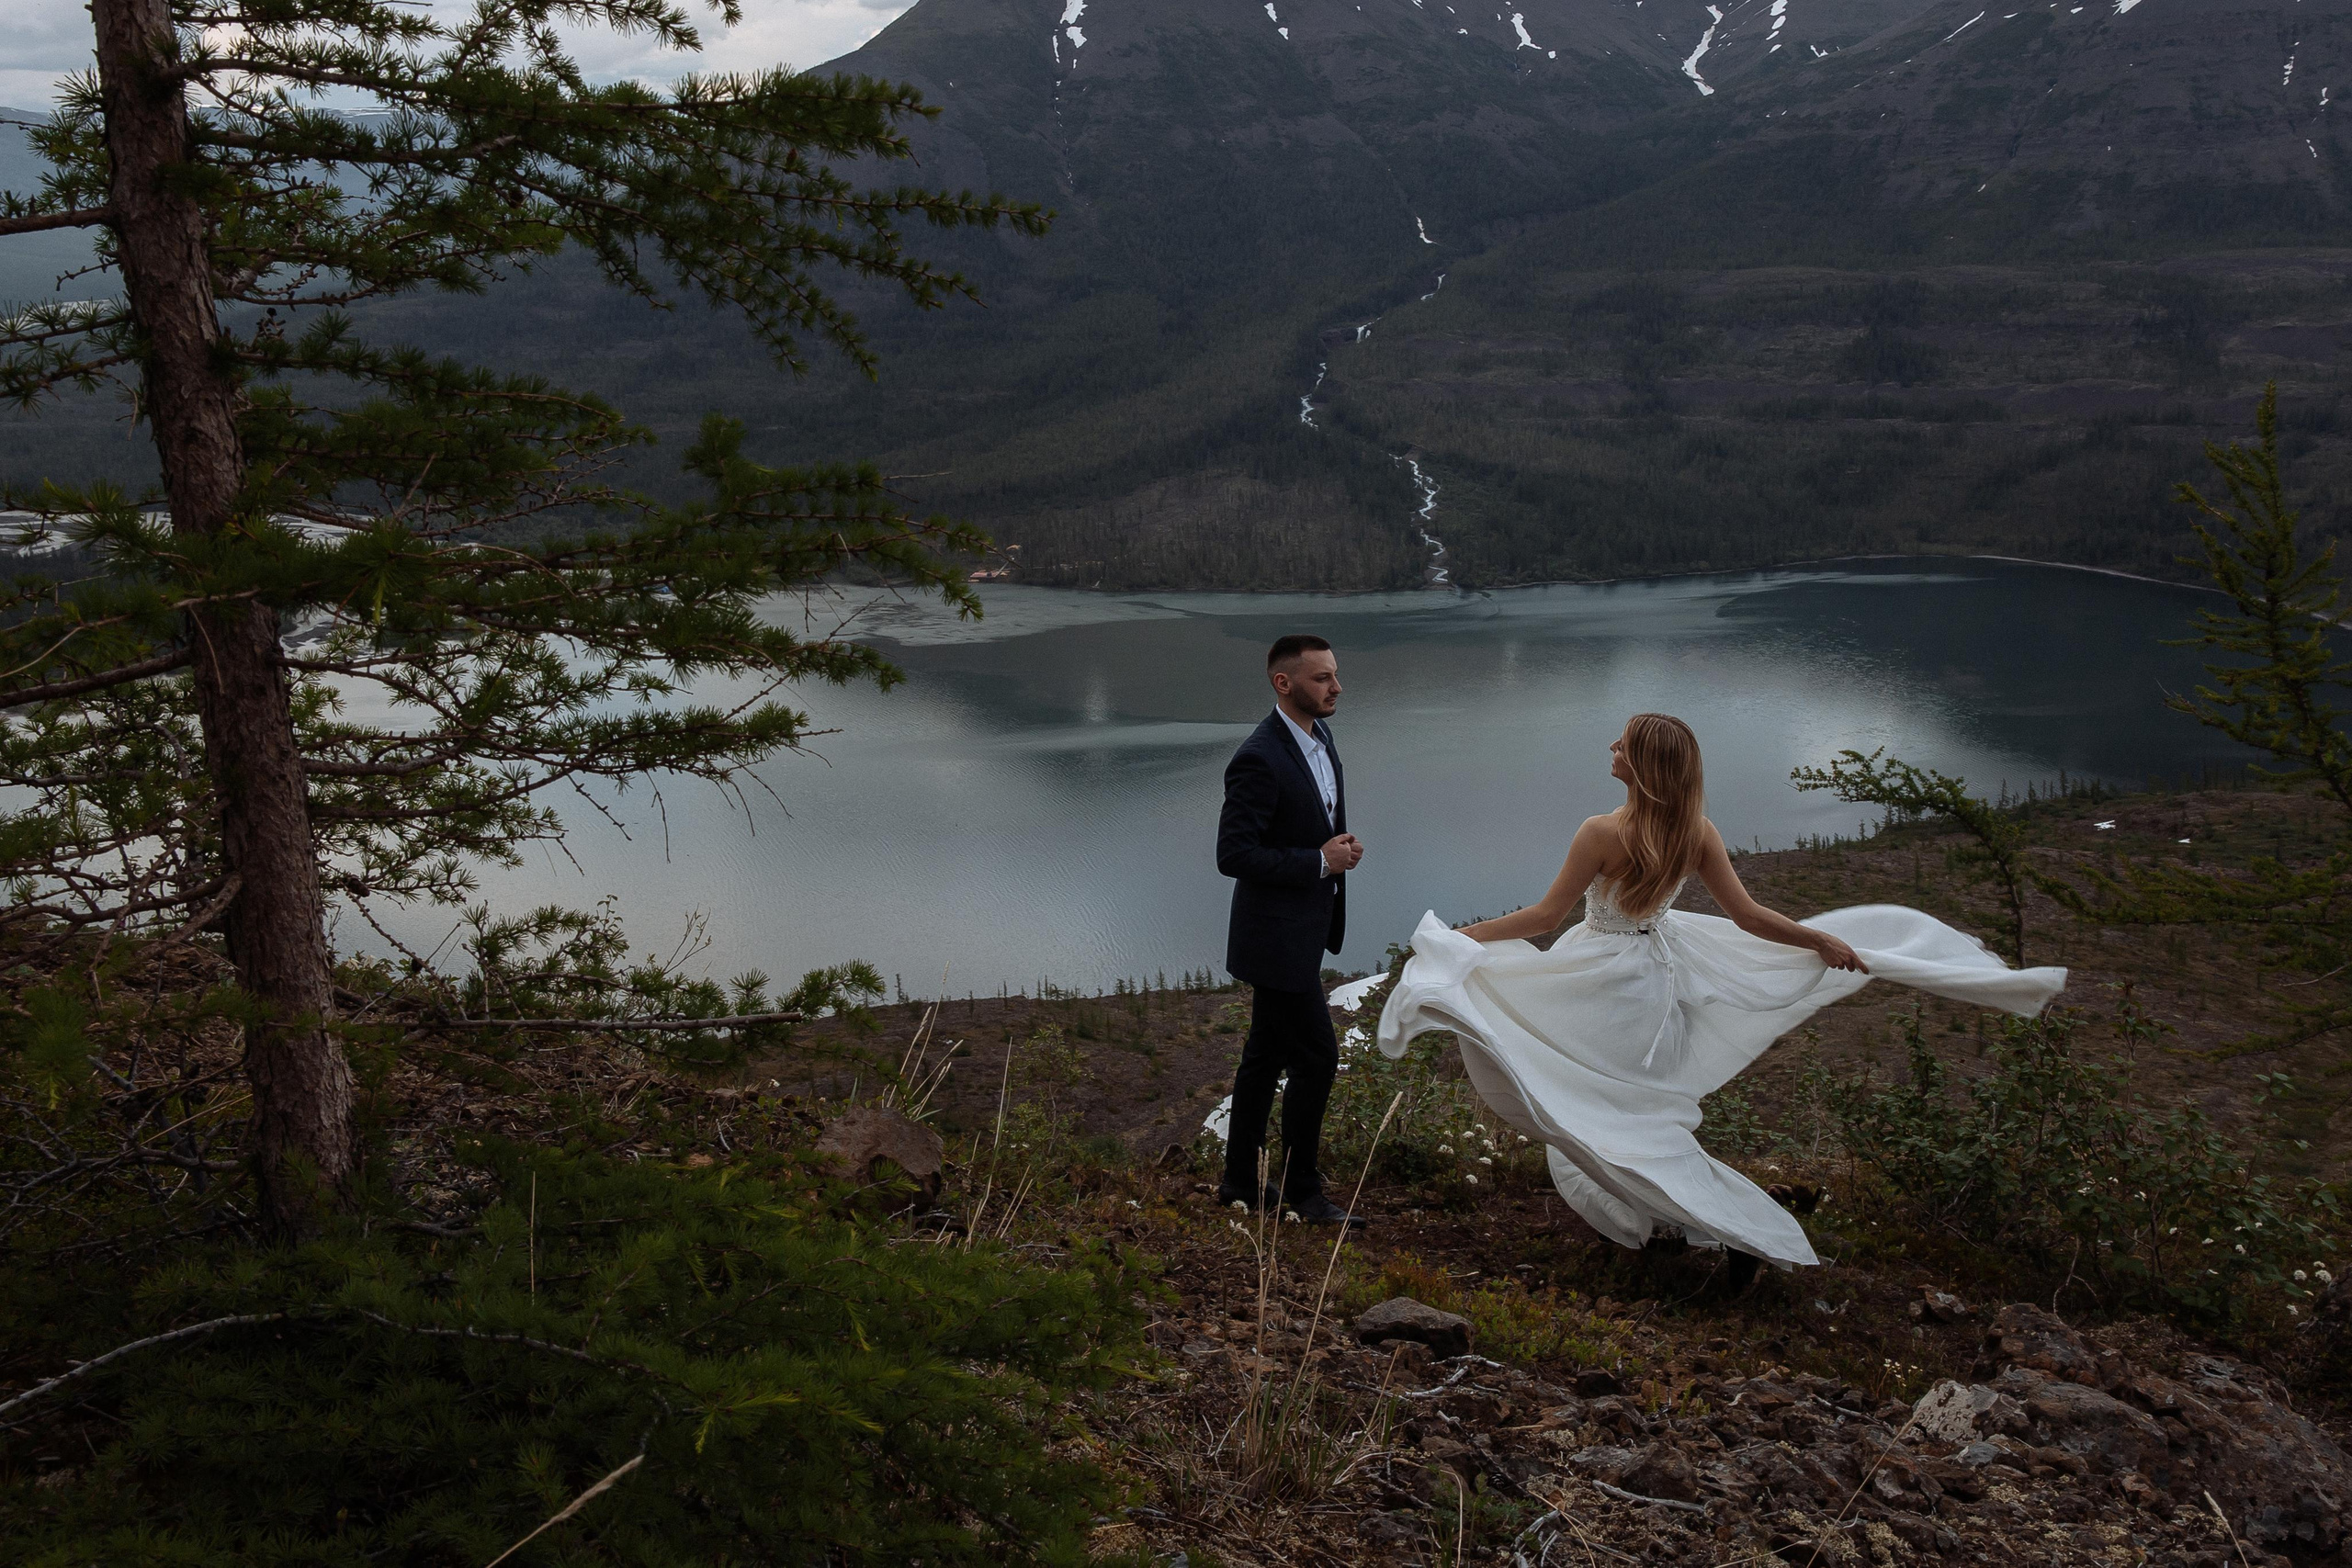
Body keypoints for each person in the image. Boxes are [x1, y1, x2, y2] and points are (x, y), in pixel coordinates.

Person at [1374, 712, 2066, 1277]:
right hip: (1652, 989)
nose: (1611, 748)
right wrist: (1817, 940)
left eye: (1623, 743)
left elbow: (1544, 918)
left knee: (1585, 1110)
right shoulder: (1695, 832)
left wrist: (1460, 939)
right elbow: (1750, 917)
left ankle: (1717, 1224)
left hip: (1596, 982)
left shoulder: (1601, 832)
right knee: (1634, 1122)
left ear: (1644, 764)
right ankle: (1700, 1223)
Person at [1215, 634, 1367, 1226]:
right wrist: (1319, 862)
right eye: (1322, 678)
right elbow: (1234, 855)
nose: (1337, 687)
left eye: (1335, 675)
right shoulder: (1258, 757)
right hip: (1275, 941)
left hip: (1300, 932)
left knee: (1264, 1056)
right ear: (1284, 684)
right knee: (1317, 1058)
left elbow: (1314, 822)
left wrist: (1335, 850)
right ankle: (1302, 1189)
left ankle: (1240, 1183)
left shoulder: (1321, 737)